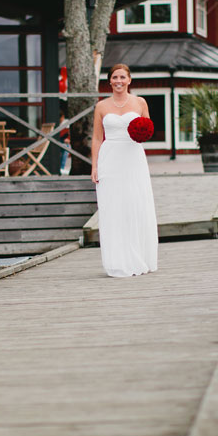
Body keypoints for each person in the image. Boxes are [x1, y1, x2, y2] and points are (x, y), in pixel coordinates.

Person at [91, 56, 158, 277]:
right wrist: (94, 166)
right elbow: (97, 139)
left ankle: (140, 255)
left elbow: (148, 128)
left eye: (122, 77)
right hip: (110, 158)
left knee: (135, 204)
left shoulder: (140, 103)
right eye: (114, 77)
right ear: (109, 81)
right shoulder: (101, 106)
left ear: (129, 80)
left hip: (133, 157)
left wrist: (143, 131)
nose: (118, 80)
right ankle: (117, 260)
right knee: (113, 207)